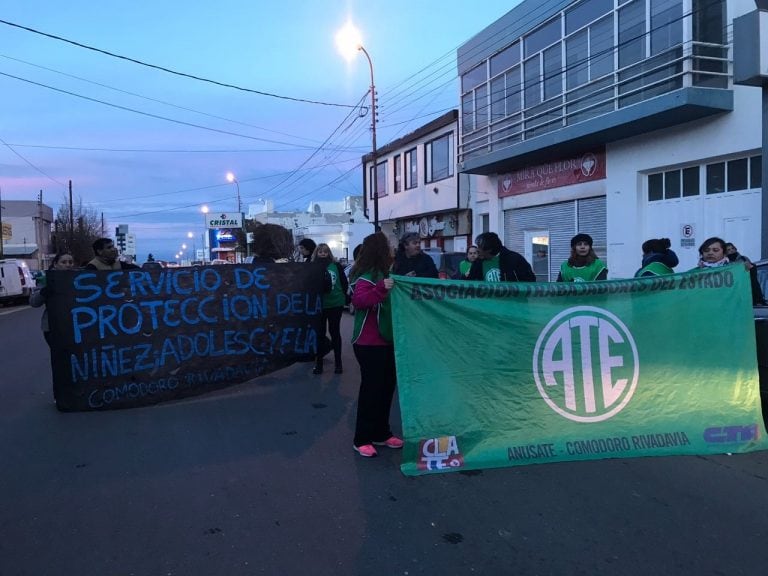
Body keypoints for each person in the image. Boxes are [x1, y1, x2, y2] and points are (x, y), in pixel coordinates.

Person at [349, 232, 403, 458]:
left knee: (386, 389)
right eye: (389, 245)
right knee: (372, 390)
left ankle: (382, 433)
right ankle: (362, 438)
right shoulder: (366, 276)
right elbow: (359, 301)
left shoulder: (386, 273)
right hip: (368, 342)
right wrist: (381, 288)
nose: (392, 249)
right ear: (380, 250)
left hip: (388, 341)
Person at [311, 243, 349, 375]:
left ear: (329, 253)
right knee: (320, 335)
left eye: (325, 252)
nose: (322, 254)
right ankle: (319, 363)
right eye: (320, 252)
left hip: (335, 303)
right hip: (319, 305)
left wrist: (346, 298)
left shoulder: (336, 266)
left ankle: (338, 364)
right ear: (316, 253)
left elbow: (344, 282)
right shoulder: (312, 267)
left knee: (335, 333)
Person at [30, 252, 76, 346]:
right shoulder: (46, 279)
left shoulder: (78, 279)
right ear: (55, 264)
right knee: (59, 356)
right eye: (63, 262)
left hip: (75, 325)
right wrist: (44, 291)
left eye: (70, 262)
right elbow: (34, 302)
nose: (68, 265)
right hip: (53, 327)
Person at [467, 232, 536, 282]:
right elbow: (468, 284)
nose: (477, 250)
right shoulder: (478, 262)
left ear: (489, 249)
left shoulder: (515, 259)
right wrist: (465, 276)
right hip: (486, 301)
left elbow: (530, 282)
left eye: (480, 247)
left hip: (511, 301)